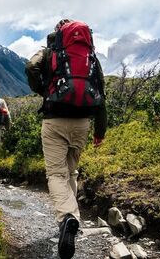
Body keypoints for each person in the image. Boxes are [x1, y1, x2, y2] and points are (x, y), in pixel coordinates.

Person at [25, 19, 107, 259]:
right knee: (71, 172)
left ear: (58, 33)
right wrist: (100, 131)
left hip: (55, 120)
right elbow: (101, 91)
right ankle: (72, 218)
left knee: (56, 174)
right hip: (83, 122)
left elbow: (31, 66)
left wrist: (43, 89)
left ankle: (67, 218)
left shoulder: (51, 51)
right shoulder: (90, 56)